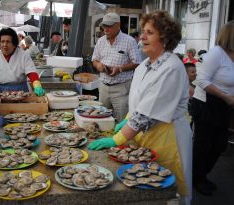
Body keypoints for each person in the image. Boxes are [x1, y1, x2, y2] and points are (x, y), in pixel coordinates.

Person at [89, 10, 192, 204]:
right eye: (143, 31)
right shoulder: (145, 65)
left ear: (165, 37)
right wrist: (127, 119)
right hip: (146, 136)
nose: (142, 36)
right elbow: (138, 103)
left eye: (150, 32)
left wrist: (116, 139)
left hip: (168, 137)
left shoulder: (171, 67)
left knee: (167, 192)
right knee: (145, 186)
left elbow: (146, 115)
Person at [0, 28, 45, 138]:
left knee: (21, 125)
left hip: (21, 93)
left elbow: (31, 72)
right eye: (2, 42)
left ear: (14, 43)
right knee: (1, 128)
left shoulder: (23, 55)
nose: (5, 45)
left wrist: (36, 84)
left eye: (8, 42)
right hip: (0, 94)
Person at [191, 20, 234, 196]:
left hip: (224, 105)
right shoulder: (216, 54)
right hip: (207, 104)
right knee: (204, 145)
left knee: (219, 144)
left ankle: (201, 174)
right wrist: (225, 96)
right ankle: (196, 178)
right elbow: (200, 80)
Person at [91, 13, 141, 122]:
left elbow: (137, 62)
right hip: (103, 87)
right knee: (101, 119)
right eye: (104, 26)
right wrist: (98, 65)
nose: (106, 29)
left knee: (122, 121)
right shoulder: (101, 41)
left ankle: (120, 139)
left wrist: (120, 69)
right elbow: (94, 59)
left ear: (118, 25)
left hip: (121, 88)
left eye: (109, 26)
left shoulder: (129, 41)